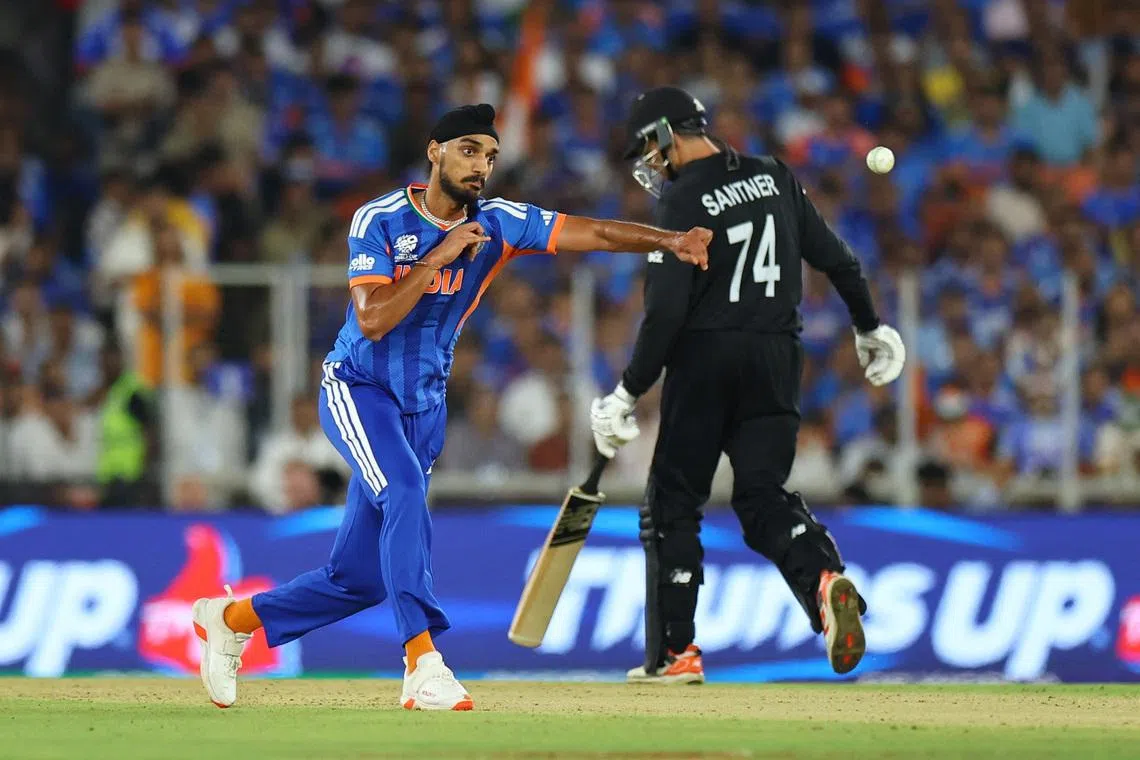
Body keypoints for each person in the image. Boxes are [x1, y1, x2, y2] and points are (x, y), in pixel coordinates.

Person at [191, 103, 710, 711]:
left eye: (490, 155)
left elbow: (592, 232)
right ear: (435, 152)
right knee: (405, 491)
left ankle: (230, 619)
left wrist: (671, 240)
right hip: (359, 389)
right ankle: (423, 662)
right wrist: (437, 257)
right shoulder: (380, 219)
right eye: (468, 150)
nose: (481, 165)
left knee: (358, 579)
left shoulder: (500, 222)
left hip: (424, 407)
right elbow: (373, 319)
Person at [589, 86, 905, 684]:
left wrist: (628, 390)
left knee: (674, 503)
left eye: (650, 148)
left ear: (667, 133)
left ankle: (676, 653)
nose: (651, 163)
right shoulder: (774, 175)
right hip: (778, 358)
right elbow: (838, 259)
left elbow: (665, 312)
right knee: (762, 497)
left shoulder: (684, 197)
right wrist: (869, 325)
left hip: (706, 358)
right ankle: (823, 577)